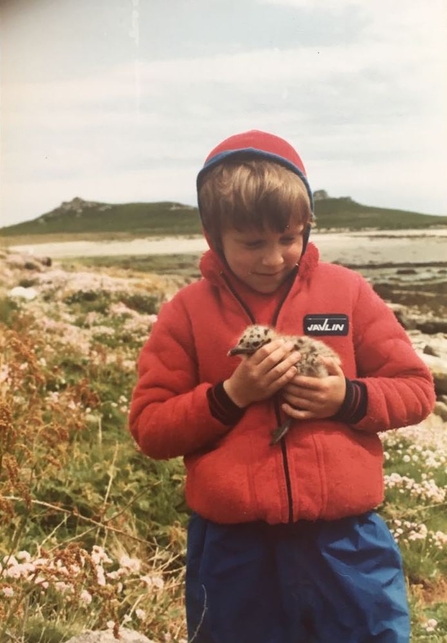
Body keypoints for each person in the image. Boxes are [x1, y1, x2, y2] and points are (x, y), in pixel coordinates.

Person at [129, 130, 435, 643]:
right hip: (235, 551)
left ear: (307, 226)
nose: (273, 258)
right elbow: (150, 428)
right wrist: (231, 396)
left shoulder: (347, 292)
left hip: (348, 543)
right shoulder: (186, 312)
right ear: (213, 235)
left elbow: (417, 389)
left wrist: (348, 399)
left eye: (289, 238)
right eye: (252, 243)